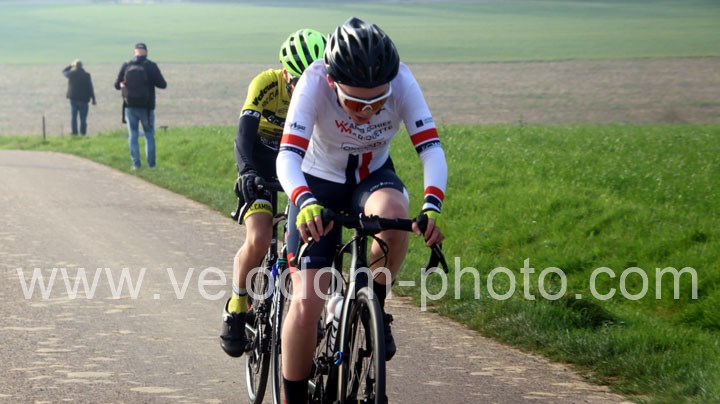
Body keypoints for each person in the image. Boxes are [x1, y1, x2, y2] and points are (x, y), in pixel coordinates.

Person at [276, 17, 447, 402]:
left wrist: (432, 206)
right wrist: (304, 201)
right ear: (332, 82)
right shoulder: (313, 82)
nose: (366, 112)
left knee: (395, 217)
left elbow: (431, 149)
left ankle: (374, 303)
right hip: (317, 184)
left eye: (377, 102)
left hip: (372, 177)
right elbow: (287, 156)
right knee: (307, 301)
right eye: (354, 103)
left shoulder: (402, 81)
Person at [219, 29, 327, 358]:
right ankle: (238, 304)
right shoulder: (266, 83)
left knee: (310, 238)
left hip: (300, 161)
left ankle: (306, 309)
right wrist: (246, 171)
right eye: (295, 81)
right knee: (260, 236)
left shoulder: (324, 91)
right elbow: (244, 133)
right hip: (261, 160)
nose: (300, 89)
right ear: (284, 73)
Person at [114, 43, 167, 169]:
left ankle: (136, 165)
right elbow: (163, 85)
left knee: (133, 135)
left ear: (134, 52)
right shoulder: (151, 66)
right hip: (147, 107)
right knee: (149, 135)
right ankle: (151, 165)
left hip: (130, 106)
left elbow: (117, 85)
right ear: (146, 53)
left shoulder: (126, 65)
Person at [62, 59, 96, 136]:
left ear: (75, 66)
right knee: (83, 118)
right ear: (82, 66)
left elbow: (63, 71)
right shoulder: (86, 75)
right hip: (84, 100)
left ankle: (75, 133)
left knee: (73, 117)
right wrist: (93, 99)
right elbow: (90, 87)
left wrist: (70, 66)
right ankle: (83, 133)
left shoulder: (71, 74)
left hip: (73, 99)